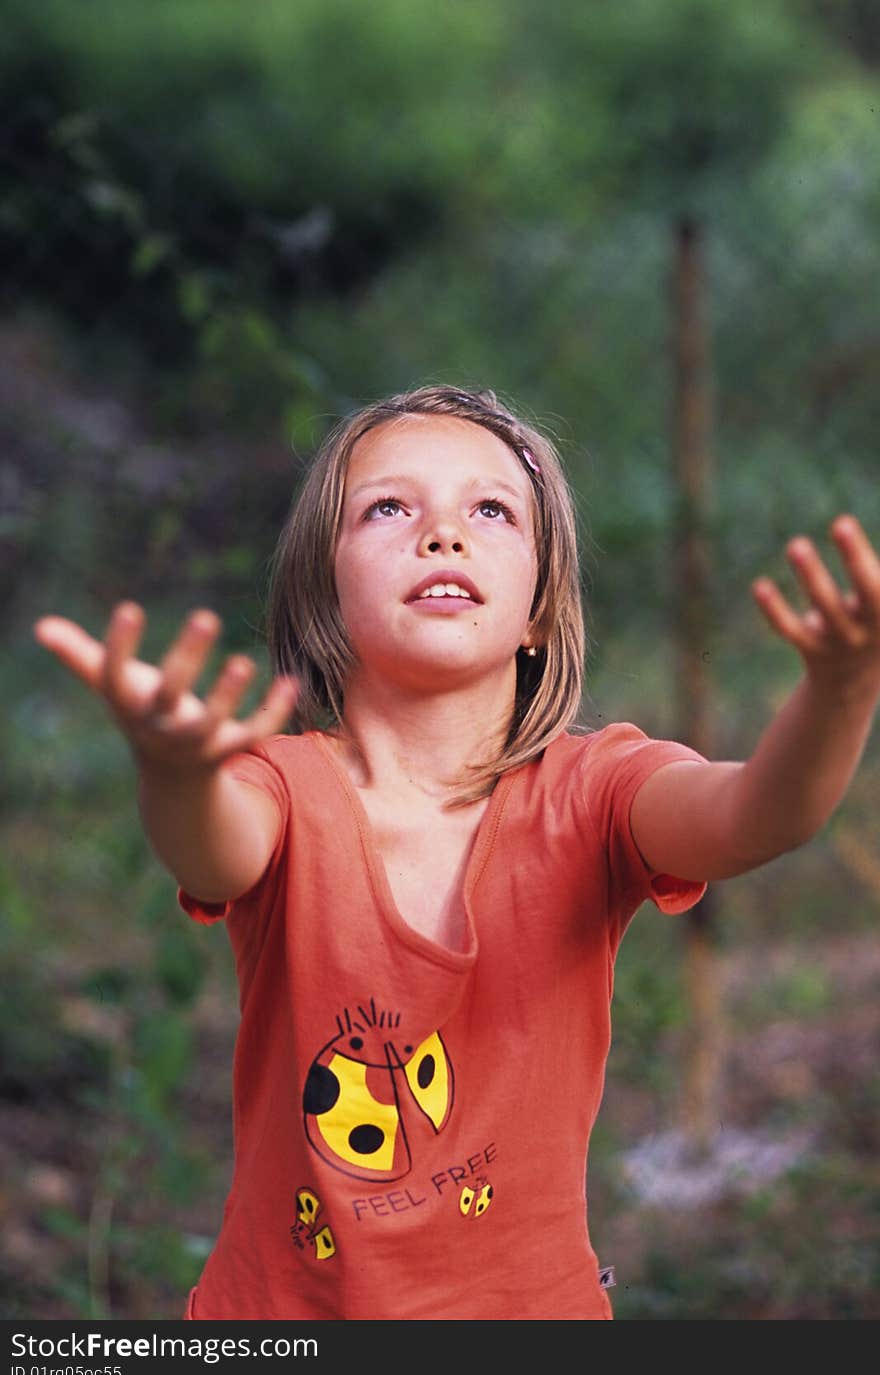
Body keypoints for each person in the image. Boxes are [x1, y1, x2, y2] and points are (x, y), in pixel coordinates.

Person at [33, 384, 880, 1320]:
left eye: (490, 510)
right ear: (324, 592)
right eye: (389, 507)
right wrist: (176, 771)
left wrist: (842, 691)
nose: (443, 533)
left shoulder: (596, 792)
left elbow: (760, 814)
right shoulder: (278, 786)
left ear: (540, 609)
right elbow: (213, 854)